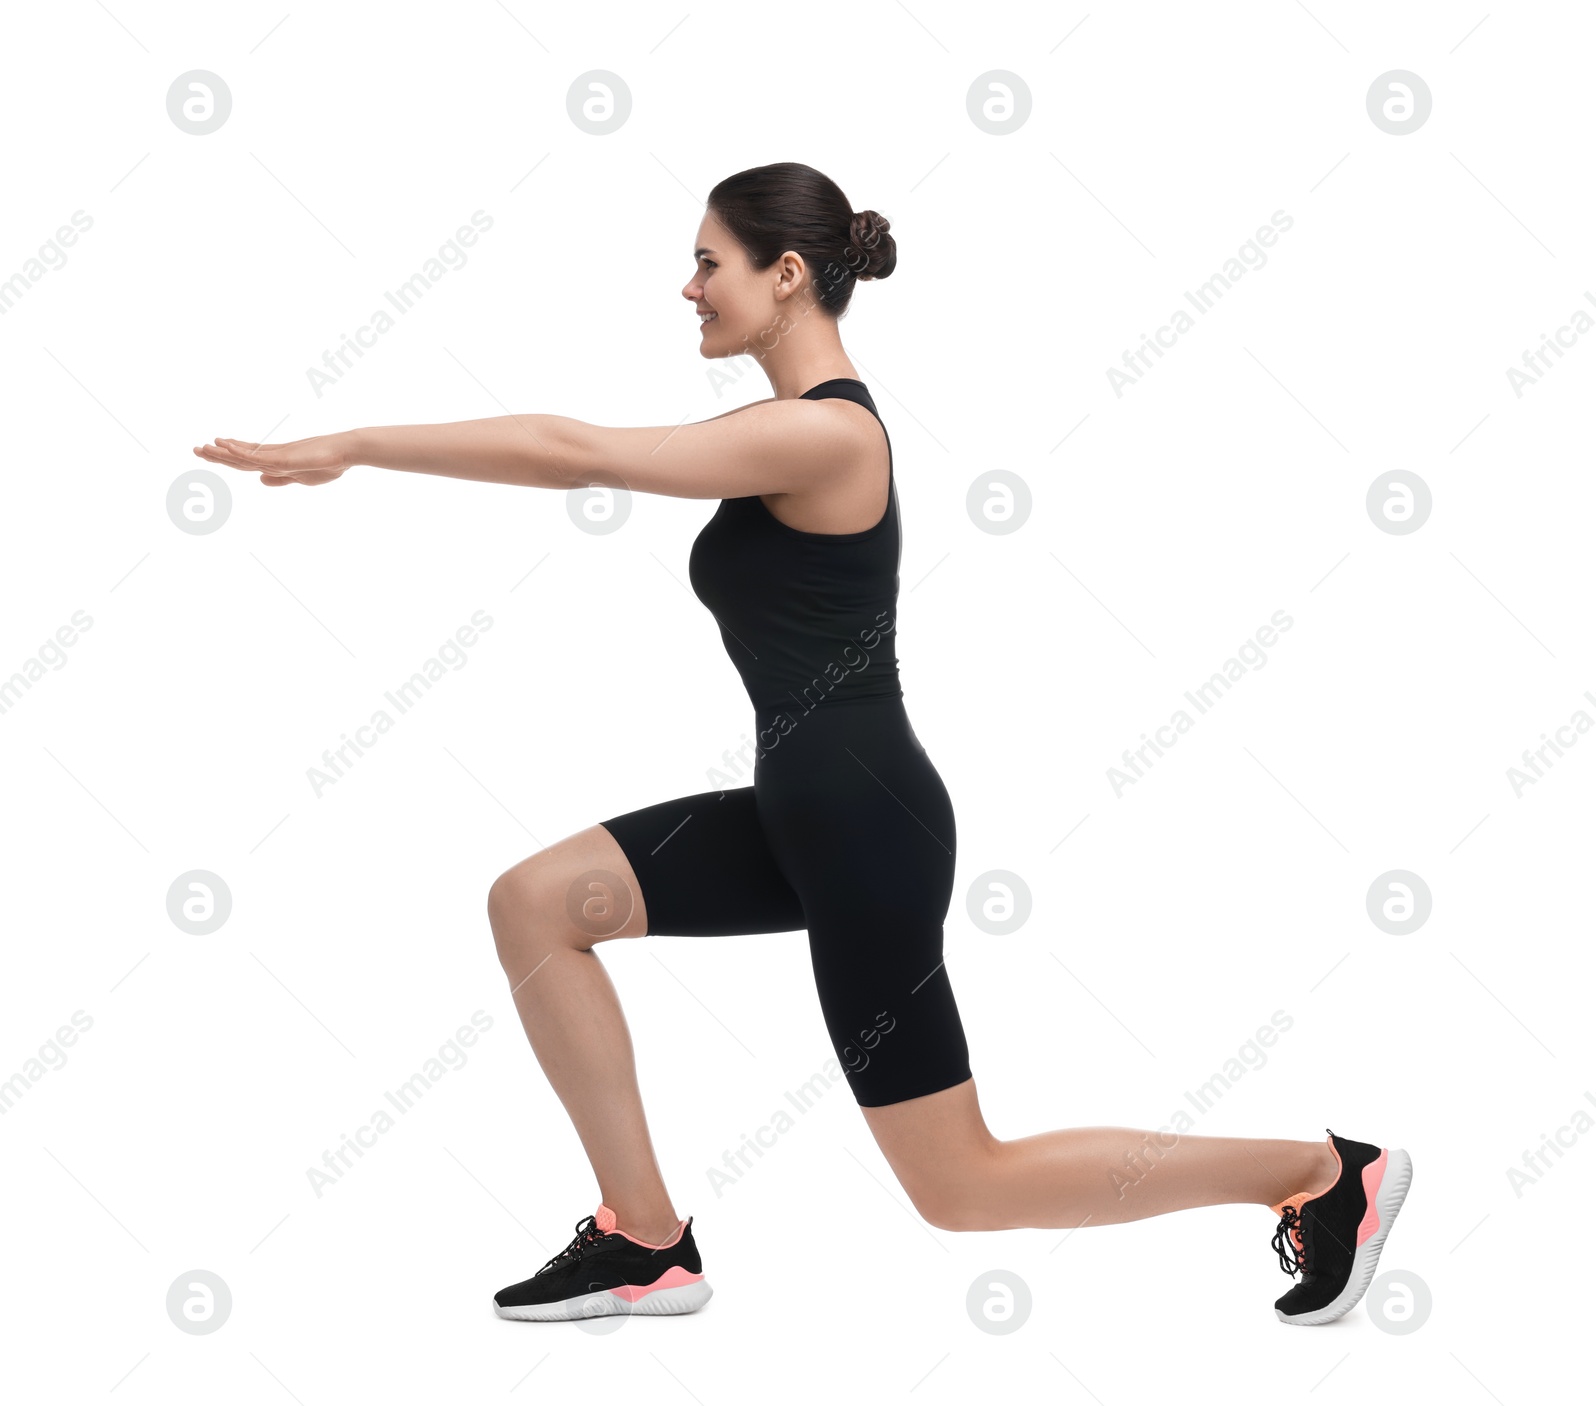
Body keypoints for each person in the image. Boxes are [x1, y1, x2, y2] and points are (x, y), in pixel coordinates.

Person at [194, 161, 1411, 1327]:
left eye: (705, 261)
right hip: (807, 805)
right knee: (534, 904)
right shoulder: (784, 425)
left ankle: (1317, 1171)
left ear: (785, 274)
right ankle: (647, 1239)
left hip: (863, 820)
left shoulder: (831, 436)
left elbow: (580, 452)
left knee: (960, 1185)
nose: (687, 287)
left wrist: (358, 442)